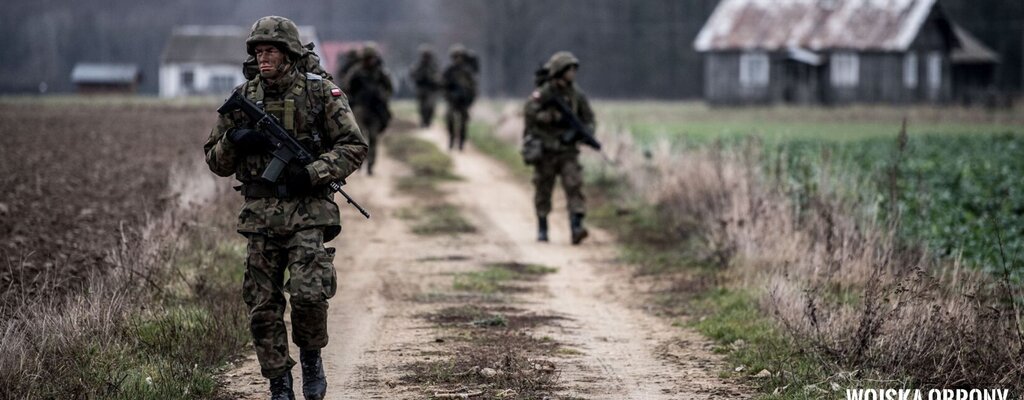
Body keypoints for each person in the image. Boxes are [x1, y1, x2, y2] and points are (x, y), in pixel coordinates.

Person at [203, 16, 367, 400]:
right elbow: (215, 160)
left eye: (270, 51)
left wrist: (311, 173)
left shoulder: (320, 94)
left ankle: (311, 359)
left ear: (289, 53)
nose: (264, 59)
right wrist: (234, 141)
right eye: (258, 52)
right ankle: (279, 383)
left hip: (309, 212)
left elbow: (354, 146)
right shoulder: (243, 99)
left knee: (310, 295)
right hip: (260, 217)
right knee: (263, 306)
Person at [522, 51, 594, 245]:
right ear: (559, 71)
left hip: (568, 150)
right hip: (546, 150)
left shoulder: (576, 94)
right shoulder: (544, 92)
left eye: (573, 69)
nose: (572, 73)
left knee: (574, 185)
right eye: (568, 69)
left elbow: (588, 119)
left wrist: (581, 134)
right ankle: (543, 227)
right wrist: (549, 117)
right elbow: (529, 112)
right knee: (543, 189)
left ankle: (576, 226)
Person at [342, 42, 393, 176]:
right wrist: (353, 101)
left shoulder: (380, 72)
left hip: (375, 109)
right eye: (368, 58)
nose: (370, 61)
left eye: (372, 58)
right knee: (360, 138)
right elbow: (347, 88)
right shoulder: (356, 71)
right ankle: (359, 165)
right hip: (360, 108)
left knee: (374, 138)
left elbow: (389, 88)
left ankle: (370, 166)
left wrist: (382, 97)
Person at [441, 44, 478, 151]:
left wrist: (470, 99)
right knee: (449, 119)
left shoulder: (467, 72)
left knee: (463, 122)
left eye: (459, 57)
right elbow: (443, 86)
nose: (457, 59)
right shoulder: (449, 71)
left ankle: (461, 142)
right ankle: (452, 139)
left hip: (464, 101)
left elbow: (473, 88)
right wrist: (449, 96)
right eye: (455, 57)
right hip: (452, 100)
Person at [409, 44, 441, 128]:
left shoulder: (434, 65)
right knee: (422, 107)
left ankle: (428, 120)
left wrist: (433, 79)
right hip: (422, 88)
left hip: (431, 89)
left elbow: (439, 76)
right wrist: (419, 76)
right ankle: (424, 121)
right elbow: (413, 75)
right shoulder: (418, 65)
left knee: (430, 106)